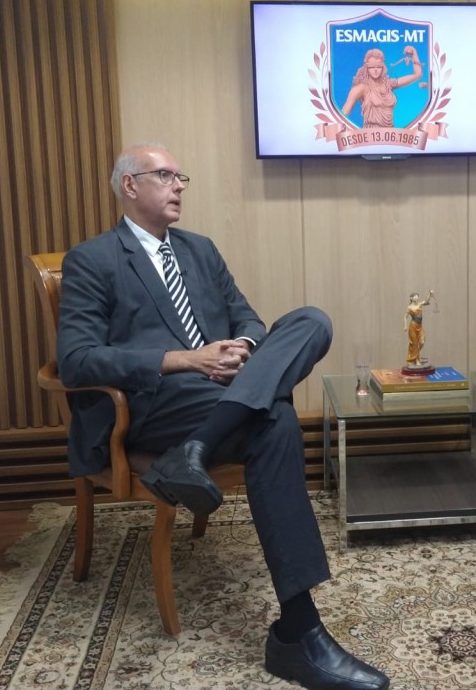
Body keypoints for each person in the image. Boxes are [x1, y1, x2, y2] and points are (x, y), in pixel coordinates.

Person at [57, 143, 389, 690]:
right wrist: (189, 359)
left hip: (227, 388)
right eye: (165, 175)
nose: (178, 185)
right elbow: (75, 360)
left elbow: (248, 319)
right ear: (130, 185)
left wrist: (241, 347)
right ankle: (299, 633)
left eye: (180, 176)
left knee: (311, 320)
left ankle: (196, 451)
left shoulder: (201, 250)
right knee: (275, 419)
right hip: (156, 400)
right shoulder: (93, 259)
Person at [341, 46, 422, 128]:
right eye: (372, 66)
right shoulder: (361, 88)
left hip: (390, 132)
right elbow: (343, 115)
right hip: (370, 133)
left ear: (382, 67)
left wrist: (414, 53)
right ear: (366, 67)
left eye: (378, 66)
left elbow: (417, 75)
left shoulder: (389, 84)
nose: (375, 70)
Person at [403, 290, 435, 367]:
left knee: (422, 342)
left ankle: (415, 357)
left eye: (417, 296)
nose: (417, 297)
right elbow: (405, 317)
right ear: (411, 298)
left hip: (419, 326)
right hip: (413, 326)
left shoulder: (420, 304)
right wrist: (405, 326)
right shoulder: (409, 307)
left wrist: (430, 294)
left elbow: (426, 301)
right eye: (415, 296)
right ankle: (415, 360)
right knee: (414, 344)